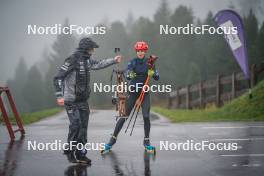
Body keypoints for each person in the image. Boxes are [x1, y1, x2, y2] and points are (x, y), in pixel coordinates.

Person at [53, 37, 121, 164]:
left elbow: (99, 64)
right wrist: (59, 96)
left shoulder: (87, 60)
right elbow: (57, 78)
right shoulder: (72, 60)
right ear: (86, 49)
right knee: (76, 124)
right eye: (92, 49)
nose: (93, 51)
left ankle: (81, 154)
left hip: (83, 100)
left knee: (83, 127)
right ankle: (70, 150)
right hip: (70, 100)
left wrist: (114, 60)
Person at [102, 41, 159, 154]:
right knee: (124, 116)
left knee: (146, 116)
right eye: (138, 51)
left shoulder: (150, 62)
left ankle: (146, 141)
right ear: (136, 52)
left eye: (142, 50)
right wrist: (131, 74)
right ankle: (111, 140)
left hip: (144, 92)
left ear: (145, 51)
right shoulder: (132, 62)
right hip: (133, 92)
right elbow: (128, 74)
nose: (141, 53)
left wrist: (153, 73)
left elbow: (157, 76)